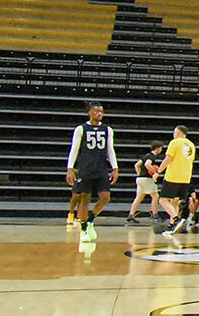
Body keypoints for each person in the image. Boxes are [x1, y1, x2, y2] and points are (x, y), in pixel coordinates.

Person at [66, 103, 119, 243]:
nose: (99, 114)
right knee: (84, 199)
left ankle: (90, 220)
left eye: (101, 111)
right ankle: (83, 230)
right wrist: (70, 168)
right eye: (96, 111)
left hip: (101, 169)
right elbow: (74, 149)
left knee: (105, 197)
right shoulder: (81, 129)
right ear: (89, 112)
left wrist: (115, 167)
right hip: (85, 169)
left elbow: (110, 150)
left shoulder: (107, 129)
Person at [158, 125, 197, 236]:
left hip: (173, 175)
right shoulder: (191, 145)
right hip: (185, 177)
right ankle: (172, 226)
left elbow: (168, 158)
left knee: (163, 200)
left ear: (178, 133)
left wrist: (158, 172)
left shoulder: (174, 143)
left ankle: (176, 219)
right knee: (175, 201)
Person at [127, 140, 166, 224]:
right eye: (161, 148)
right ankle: (155, 215)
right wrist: (155, 172)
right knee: (155, 196)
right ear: (157, 148)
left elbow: (136, 165)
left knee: (138, 198)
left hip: (140, 179)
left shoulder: (146, 155)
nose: (161, 150)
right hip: (146, 179)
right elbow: (147, 164)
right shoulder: (152, 157)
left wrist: (139, 174)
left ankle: (130, 215)